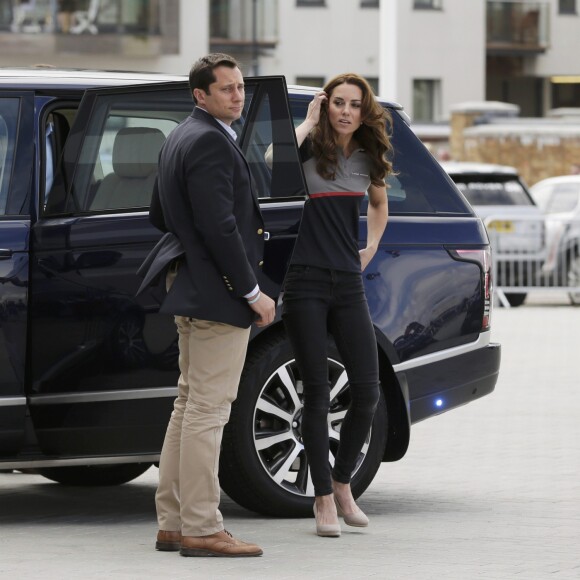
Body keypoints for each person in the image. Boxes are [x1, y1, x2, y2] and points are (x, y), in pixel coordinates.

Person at [137, 53, 275, 557]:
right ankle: (201, 526)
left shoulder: (180, 136)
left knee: (188, 404)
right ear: (200, 94)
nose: (237, 96)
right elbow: (222, 228)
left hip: (191, 285)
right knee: (207, 411)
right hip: (218, 292)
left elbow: (160, 213)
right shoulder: (210, 142)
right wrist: (254, 292)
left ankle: (173, 522)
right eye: (226, 89)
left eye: (240, 87)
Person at [281, 74, 392, 537]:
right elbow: (271, 162)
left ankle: (343, 483)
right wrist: (306, 123)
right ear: (327, 106)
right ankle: (322, 499)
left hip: (347, 283)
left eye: (354, 105)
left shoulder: (369, 157)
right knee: (318, 395)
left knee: (367, 390)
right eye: (338, 103)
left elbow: (380, 205)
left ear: (364, 112)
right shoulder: (307, 148)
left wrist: (369, 247)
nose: (346, 112)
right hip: (303, 280)